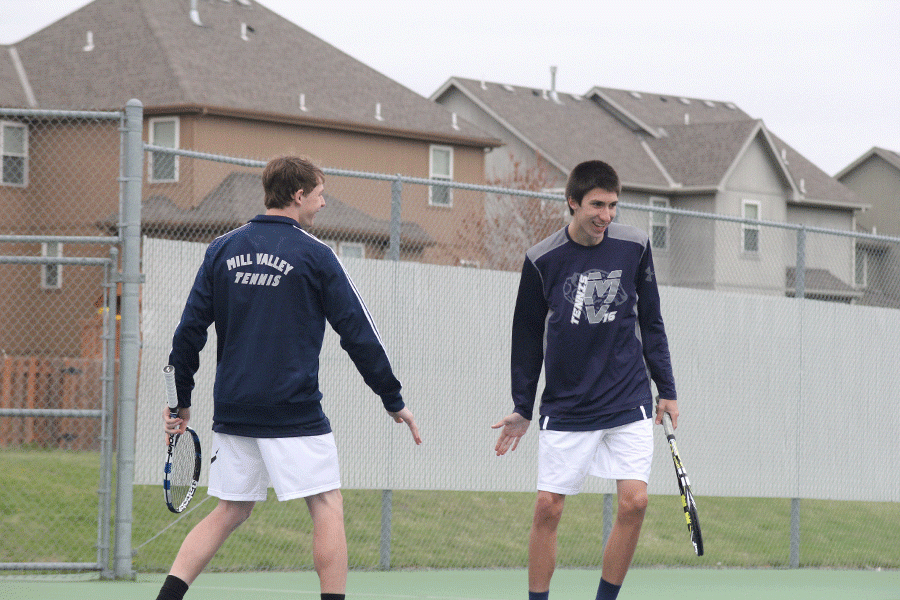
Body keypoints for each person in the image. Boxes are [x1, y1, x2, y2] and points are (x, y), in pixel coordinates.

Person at [155, 156, 422, 600]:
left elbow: (188, 333)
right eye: (319, 193)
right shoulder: (317, 255)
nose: (323, 202)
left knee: (230, 509)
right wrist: (392, 398)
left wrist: (179, 400)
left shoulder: (221, 249)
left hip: (236, 408)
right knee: (326, 504)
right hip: (293, 409)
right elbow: (358, 332)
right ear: (298, 195)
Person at [492, 159, 677, 600]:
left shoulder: (634, 245)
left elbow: (651, 320)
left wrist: (666, 389)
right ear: (572, 202)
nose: (606, 216)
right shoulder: (541, 259)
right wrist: (522, 405)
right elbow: (526, 335)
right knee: (547, 508)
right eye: (596, 205)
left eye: (613, 206)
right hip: (568, 405)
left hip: (626, 396)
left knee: (636, 502)